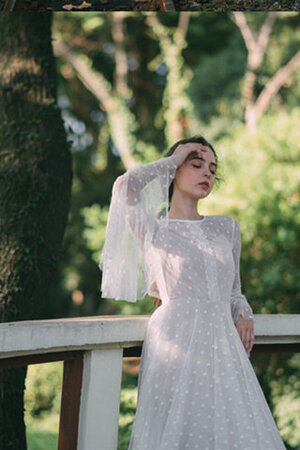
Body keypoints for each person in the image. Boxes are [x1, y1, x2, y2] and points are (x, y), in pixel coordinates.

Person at [99, 136, 286, 450]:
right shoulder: (154, 229)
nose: (207, 174)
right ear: (174, 172)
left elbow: (234, 290)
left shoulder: (227, 228)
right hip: (175, 342)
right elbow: (124, 188)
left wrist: (243, 310)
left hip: (224, 348)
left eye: (212, 169)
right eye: (196, 164)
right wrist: (173, 159)